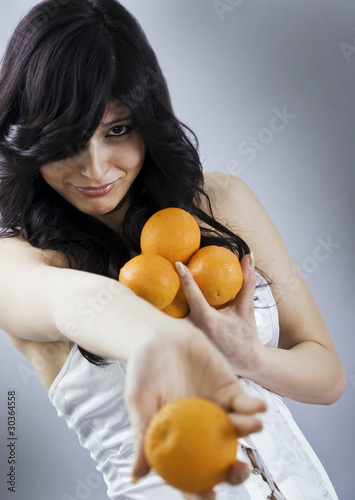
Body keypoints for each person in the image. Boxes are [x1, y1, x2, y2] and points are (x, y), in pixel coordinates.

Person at [0, 0, 346, 499]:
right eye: (65, 139)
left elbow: (329, 377)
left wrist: (253, 359)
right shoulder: (18, 264)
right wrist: (167, 346)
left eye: (116, 130)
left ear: (148, 119)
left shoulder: (220, 204)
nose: (94, 169)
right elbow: (82, 305)